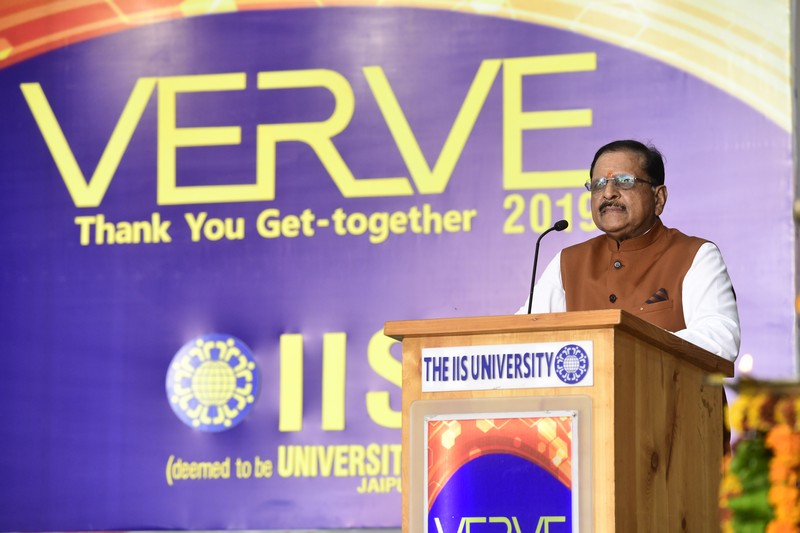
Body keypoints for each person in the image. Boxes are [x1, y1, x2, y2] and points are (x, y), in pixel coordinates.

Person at [518, 139, 740, 362]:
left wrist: (630, 346)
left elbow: (720, 340)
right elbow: (518, 339)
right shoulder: (569, 262)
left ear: (658, 198)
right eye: (598, 184)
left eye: (624, 182)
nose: (608, 193)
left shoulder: (695, 255)